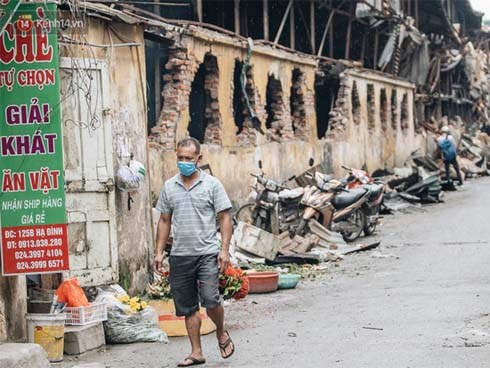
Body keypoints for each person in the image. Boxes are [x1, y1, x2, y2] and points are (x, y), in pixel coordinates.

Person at [153, 137, 235, 367]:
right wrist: (159, 252)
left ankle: (220, 331)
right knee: (188, 306)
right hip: (180, 255)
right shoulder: (170, 186)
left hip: (207, 253)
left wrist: (224, 249)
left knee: (210, 299)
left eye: (189, 158)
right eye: (180, 158)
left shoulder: (212, 185)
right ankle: (196, 352)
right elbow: (164, 220)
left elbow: (225, 217)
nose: (184, 162)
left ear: (199, 158)